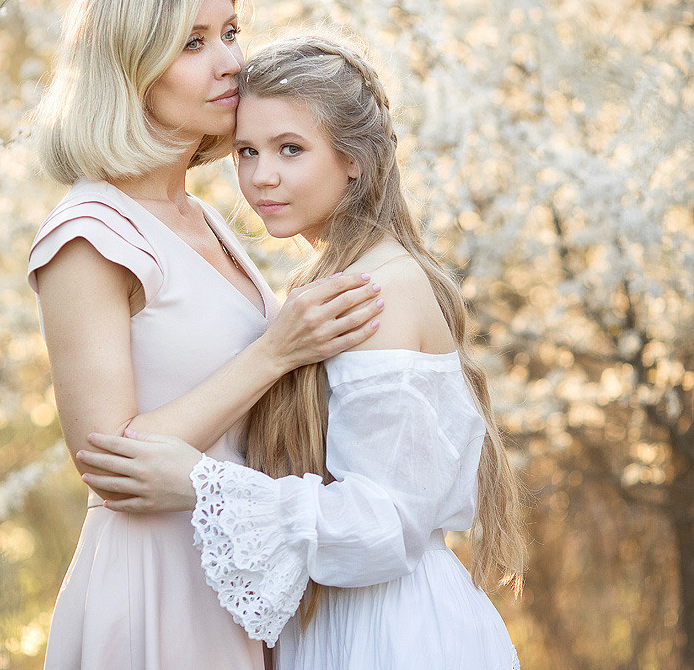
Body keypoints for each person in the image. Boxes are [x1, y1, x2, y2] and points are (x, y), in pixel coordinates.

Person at [79, 35, 527, 670]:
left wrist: (201, 486)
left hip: (392, 635)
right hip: (338, 622)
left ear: (354, 159)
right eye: (247, 152)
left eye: (291, 150)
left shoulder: (379, 291)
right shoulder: (321, 285)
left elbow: (383, 526)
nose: (262, 177)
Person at [27, 0, 385, 670]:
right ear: (131, 67)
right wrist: (276, 350)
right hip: (155, 583)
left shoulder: (198, 215)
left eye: (229, 32)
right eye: (193, 43)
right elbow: (110, 462)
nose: (229, 62)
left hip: (233, 572)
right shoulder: (90, 234)